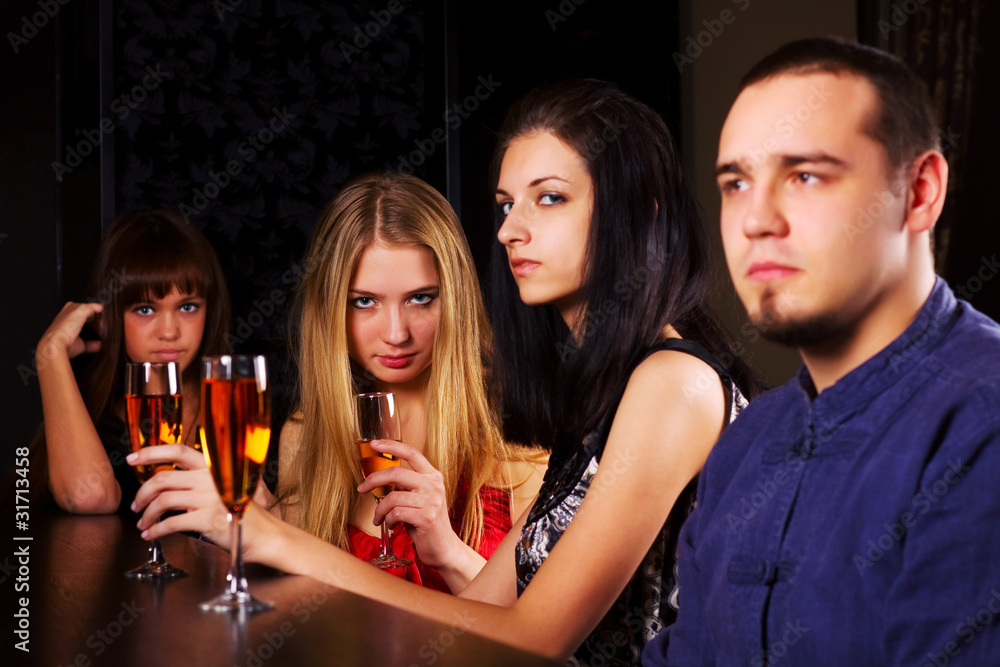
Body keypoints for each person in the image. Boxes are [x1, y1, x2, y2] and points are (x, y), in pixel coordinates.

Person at [131, 81, 757, 663]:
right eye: (507, 204)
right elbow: (473, 618)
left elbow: (535, 639)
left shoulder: (672, 385)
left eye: (551, 198)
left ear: (641, 213)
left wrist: (269, 538)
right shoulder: (598, 399)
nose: (510, 229)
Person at [643, 37, 1000, 667]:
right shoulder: (744, 442)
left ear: (920, 193)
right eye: (736, 183)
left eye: (805, 175)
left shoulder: (981, 423)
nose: (756, 220)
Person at [130, 171, 544, 593]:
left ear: (454, 296)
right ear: (332, 310)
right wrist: (260, 518)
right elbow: (305, 597)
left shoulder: (517, 431)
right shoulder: (308, 431)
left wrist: (448, 552)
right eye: (365, 302)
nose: (397, 333)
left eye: (421, 298)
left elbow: (537, 631)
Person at [28, 209, 231, 514]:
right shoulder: (95, 420)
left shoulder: (241, 414)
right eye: (145, 309)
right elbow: (90, 497)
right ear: (107, 318)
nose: (169, 332)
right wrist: (51, 354)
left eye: (188, 306)